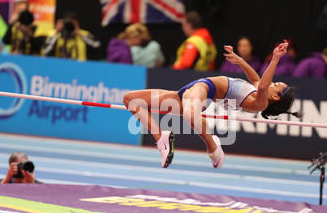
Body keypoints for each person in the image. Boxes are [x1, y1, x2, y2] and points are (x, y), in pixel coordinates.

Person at [123, 41, 301, 169]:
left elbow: (262, 84)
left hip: (205, 89)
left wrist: (275, 59)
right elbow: (256, 78)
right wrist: (239, 60)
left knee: (190, 114)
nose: (272, 83)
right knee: (131, 99)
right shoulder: (257, 90)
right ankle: (162, 140)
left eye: (276, 85)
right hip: (187, 92)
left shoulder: (260, 102)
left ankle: (213, 147)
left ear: (276, 97)